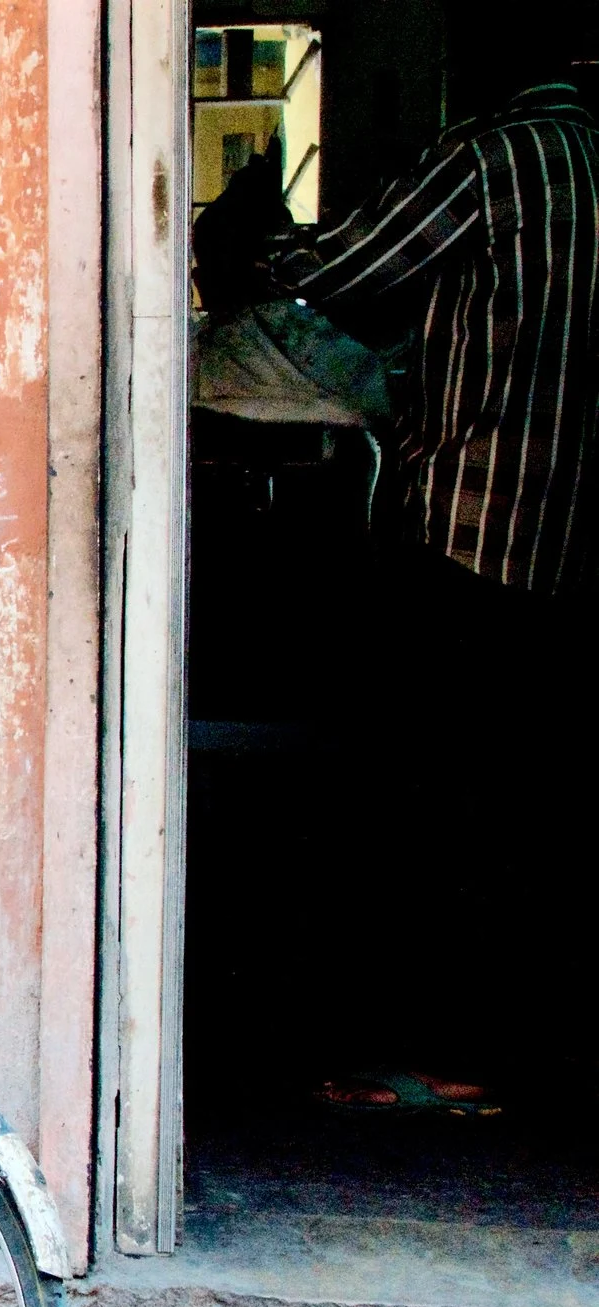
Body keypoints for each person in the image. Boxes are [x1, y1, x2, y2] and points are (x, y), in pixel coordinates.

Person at [261, 54, 598, 1110]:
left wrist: (245, 237)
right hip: (575, 543)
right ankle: (507, 1053)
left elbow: (334, 268)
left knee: (431, 800)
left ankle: (437, 1060)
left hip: (473, 534)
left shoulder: (497, 160)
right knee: (528, 805)